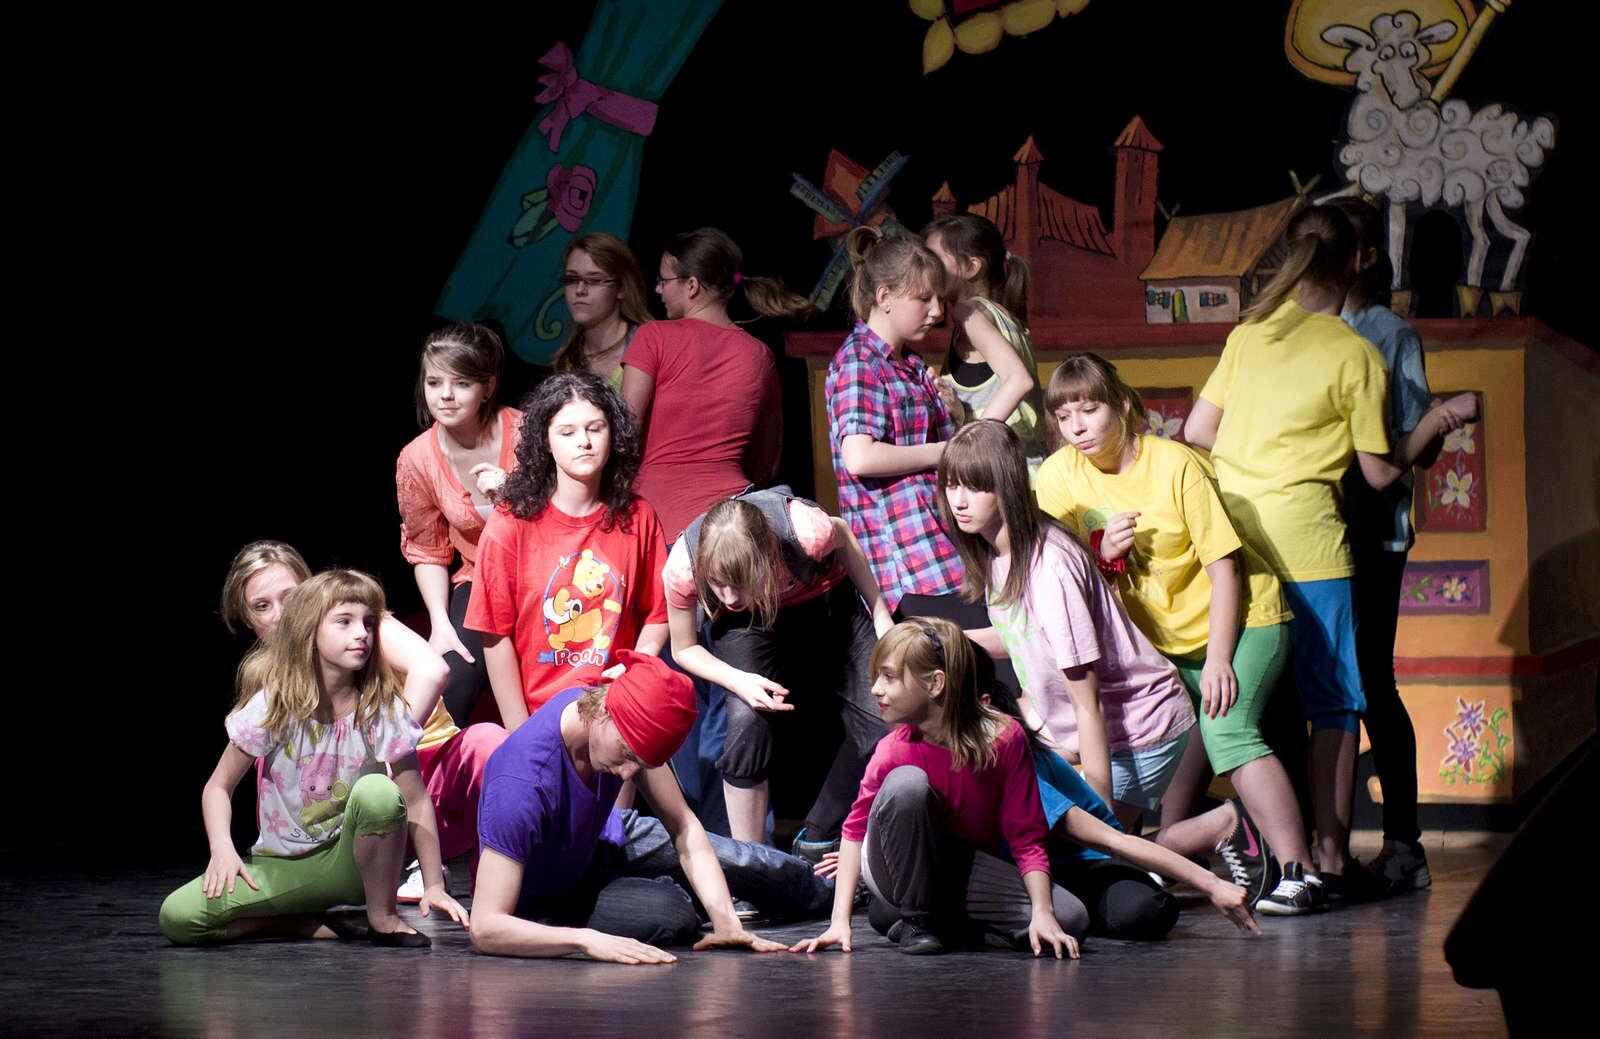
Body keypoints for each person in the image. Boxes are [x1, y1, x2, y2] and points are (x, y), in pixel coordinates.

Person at [1183, 203, 1424, 904]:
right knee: (1335, 700)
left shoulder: (1248, 335)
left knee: (1267, 698)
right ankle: (1329, 857)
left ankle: (1280, 858)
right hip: (1312, 544)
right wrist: (1435, 422)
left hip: (1239, 540)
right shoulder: (1355, 352)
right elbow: (1378, 473)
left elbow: (1198, 430)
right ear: (1352, 263)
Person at [1035, 354, 1320, 914]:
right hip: (1160, 644)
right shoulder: (1058, 477)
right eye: (1064, 416)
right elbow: (1063, 576)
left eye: (1089, 410)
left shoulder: (1176, 465)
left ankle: (1302, 873)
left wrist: (1219, 659)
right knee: (1154, 750)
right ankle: (1179, 859)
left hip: (1240, 621)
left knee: (1228, 729)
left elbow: (1225, 568)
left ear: (1122, 405)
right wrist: (1102, 554)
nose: (1077, 427)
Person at [160, 571, 467, 946]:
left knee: (378, 791)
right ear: (310, 629)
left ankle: (382, 916)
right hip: (282, 866)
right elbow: (218, 787)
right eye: (345, 622)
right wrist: (222, 849)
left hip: (351, 863)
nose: (362, 634)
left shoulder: (380, 709)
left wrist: (434, 885)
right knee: (179, 917)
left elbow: (415, 799)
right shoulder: (274, 706)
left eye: (369, 623)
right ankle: (294, 923)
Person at [469, 650, 822, 963]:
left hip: (602, 838)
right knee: (670, 913)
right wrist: (584, 940)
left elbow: (683, 826)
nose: (628, 774)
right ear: (604, 711)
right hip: (547, 896)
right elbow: (485, 928)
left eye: (639, 763)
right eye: (626, 755)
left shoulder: (619, 720)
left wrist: (726, 923)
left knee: (753, 863)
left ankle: (839, 894)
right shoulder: (519, 785)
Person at [938, 421, 1196, 832]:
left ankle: (1224, 826)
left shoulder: (1050, 567)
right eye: (952, 486)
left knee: (1092, 850)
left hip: (1137, 731)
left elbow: (1088, 702)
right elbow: (1024, 636)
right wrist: (943, 642)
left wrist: (1100, 813)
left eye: (974, 487)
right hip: (1084, 735)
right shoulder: (998, 554)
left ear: (1006, 486)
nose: (959, 501)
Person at [220, 540, 506, 900]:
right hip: (352, 811)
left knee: (487, 744)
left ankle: (494, 888)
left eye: (289, 597)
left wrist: (385, 749)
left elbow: (432, 670)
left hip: (427, 780)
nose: (279, 614)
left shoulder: (359, 627)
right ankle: (351, 874)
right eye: (262, 606)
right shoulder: (272, 678)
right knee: (272, 755)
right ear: (248, 618)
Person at [1330, 197, 1477, 895]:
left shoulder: (1390, 334)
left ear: (1362, 257)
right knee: (1324, 687)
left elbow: (1417, 447)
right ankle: (1319, 847)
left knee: (1370, 683)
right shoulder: (1301, 333)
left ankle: (1403, 842)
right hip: (1310, 534)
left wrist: (1436, 420)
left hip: (1372, 536)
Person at [792, 618, 1083, 958]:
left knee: (1070, 919)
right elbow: (854, 832)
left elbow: (1027, 835)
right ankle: (917, 921)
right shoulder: (894, 750)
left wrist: (1043, 912)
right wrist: (839, 921)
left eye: (889, 677)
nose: (875, 689)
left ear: (935, 683)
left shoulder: (1005, 738)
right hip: (898, 867)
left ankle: (940, 922)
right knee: (907, 783)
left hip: (962, 866)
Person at [663, 489, 894, 849]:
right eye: (718, 584)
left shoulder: (806, 530)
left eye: (739, 582)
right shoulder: (683, 568)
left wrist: (880, 613)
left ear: (768, 555)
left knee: (888, 711)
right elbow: (684, 648)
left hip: (824, 598)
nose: (729, 597)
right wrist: (739, 681)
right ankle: (754, 862)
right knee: (747, 722)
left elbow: (845, 537)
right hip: (746, 624)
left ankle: (819, 835)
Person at [466, 372, 668, 730]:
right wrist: (520, 733)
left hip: (616, 709)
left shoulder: (639, 517)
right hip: (541, 717)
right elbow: (494, 633)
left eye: (595, 428)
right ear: (545, 441)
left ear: (612, 434)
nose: (584, 442)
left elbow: (659, 614)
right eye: (567, 432)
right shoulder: (510, 522)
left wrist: (635, 666)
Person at [982, 681, 1259, 939]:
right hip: (1023, 866)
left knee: (1146, 911)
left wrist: (1212, 884)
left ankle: (1217, 825)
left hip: (1083, 860)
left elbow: (1112, 840)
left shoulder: (1018, 766)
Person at [620, 226, 809, 543]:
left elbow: (625, 430)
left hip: (659, 523)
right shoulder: (759, 354)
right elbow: (768, 462)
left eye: (664, 281)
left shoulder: (653, 336)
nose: (657, 290)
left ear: (692, 286)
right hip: (733, 527)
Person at [397, 323, 522, 726]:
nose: (445, 395)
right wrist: (440, 623)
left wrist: (512, 494)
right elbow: (428, 549)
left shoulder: (529, 433)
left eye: (462, 383)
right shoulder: (418, 458)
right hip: (480, 578)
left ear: (487, 387)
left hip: (546, 573)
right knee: (453, 678)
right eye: (434, 382)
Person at [922, 212, 1046, 467]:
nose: (925, 267)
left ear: (971, 267)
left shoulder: (970, 313)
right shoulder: (1004, 316)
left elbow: (1019, 380)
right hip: (1028, 467)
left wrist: (970, 446)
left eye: (934, 259)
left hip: (1001, 471)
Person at [551, 233, 653, 388]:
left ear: (621, 288)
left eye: (595, 280)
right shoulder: (567, 360)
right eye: (572, 279)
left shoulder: (649, 348)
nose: (580, 290)